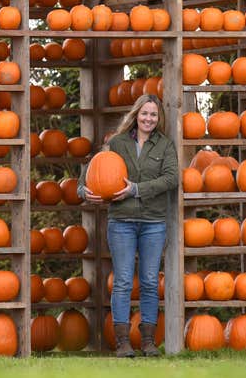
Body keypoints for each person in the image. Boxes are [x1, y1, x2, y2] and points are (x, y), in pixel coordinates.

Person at [78, 94, 178, 357]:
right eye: (144, 113)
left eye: (153, 115)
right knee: (122, 281)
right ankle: (122, 343)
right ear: (136, 115)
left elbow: (171, 179)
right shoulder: (117, 143)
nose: (148, 119)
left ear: (159, 118)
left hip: (153, 222)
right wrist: (84, 191)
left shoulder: (164, 145)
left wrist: (136, 189)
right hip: (121, 222)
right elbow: (88, 173)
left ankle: (148, 342)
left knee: (148, 281)